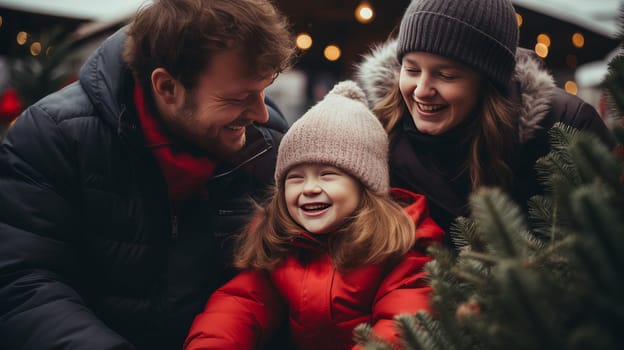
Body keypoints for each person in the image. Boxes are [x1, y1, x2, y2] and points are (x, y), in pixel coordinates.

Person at [0, 0, 296, 349]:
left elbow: (286, 283)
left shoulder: (272, 144)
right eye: (239, 98)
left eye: (264, 90)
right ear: (167, 87)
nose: (261, 114)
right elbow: (22, 283)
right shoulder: (54, 137)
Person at [183, 80, 445, 350]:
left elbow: (400, 326)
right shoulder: (284, 243)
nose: (309, 188)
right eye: (295, 178)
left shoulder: (403, 247)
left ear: (365, 185)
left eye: (327, 175)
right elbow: (240, 305)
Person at [354, 0, 614, 244]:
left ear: (488, 81)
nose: (421, 90)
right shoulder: (380, 134)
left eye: (445, 75)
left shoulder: (566, 127)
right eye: (411, 69)